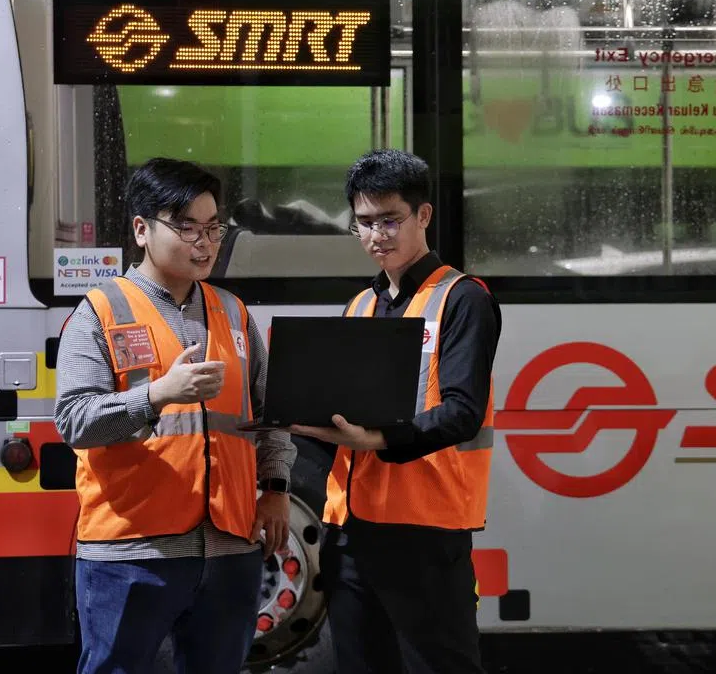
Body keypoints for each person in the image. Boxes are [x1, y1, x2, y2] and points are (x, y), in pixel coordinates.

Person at [54, 157, 296, 674]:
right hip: (132, 552)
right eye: (187, 228)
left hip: (230, 548)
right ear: (142, 229)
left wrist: (275, 490)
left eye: (214, 229)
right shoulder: (99, 312)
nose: (205, 243)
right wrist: (157, 395)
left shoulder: (233, 312)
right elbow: (74, 420)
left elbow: (271, 414)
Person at [289, 148, 500, 674]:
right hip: (351, 534)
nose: (376, 235)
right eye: (364, 223)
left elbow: (462, 413)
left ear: (423, 215)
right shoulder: (360, 304)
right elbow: (341, 412)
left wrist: (378, 440)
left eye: (390, 220)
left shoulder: (463, 298)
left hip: (424, 534)